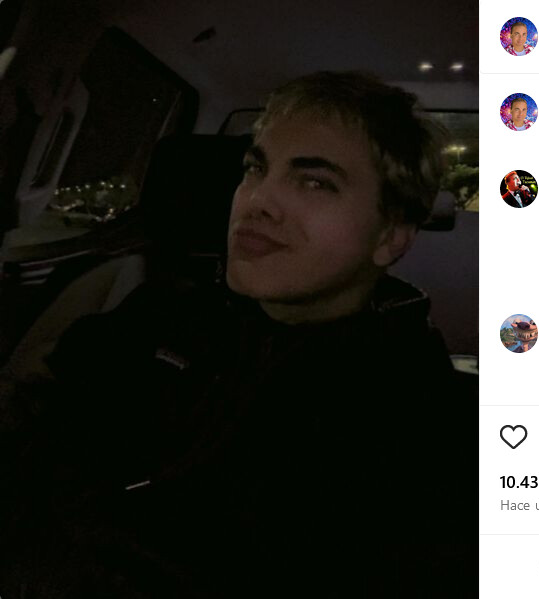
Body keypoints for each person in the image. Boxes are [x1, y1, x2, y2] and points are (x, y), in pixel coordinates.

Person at [0, 71, 476, 597]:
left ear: (391, 236)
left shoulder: (424, 421)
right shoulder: (167, 311)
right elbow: (37, 402)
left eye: (316, 182)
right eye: (256, 169)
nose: (257, 201)